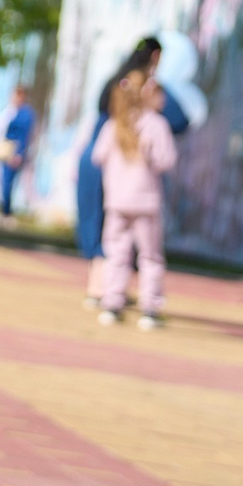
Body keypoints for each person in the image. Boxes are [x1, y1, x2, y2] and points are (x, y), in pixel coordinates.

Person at [74, 37, 189, 302]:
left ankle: (101, 290)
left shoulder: (113, 90)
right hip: (140, 188)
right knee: (147, 252)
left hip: (111, 176)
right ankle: (140, 300)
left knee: (108, 236)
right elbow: (178, 127)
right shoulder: (152, 118)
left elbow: (98, 151)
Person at [91, 68, 177, 328]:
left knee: (116, 253)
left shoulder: (114, 123)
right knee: (150, 256)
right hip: (145, 202)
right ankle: (149, 308)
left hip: (117, 200)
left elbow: (97, 156)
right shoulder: (156, 125)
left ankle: (112, 303)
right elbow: (167, 160)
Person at [0, 83, 37, 219]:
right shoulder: (9, 110)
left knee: (9, 183)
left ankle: (7, 212)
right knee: (2, 182)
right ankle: (4, 210)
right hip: (5, 150)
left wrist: (19, 153)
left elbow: (26, 136)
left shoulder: (26, 114)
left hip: (15, 152)